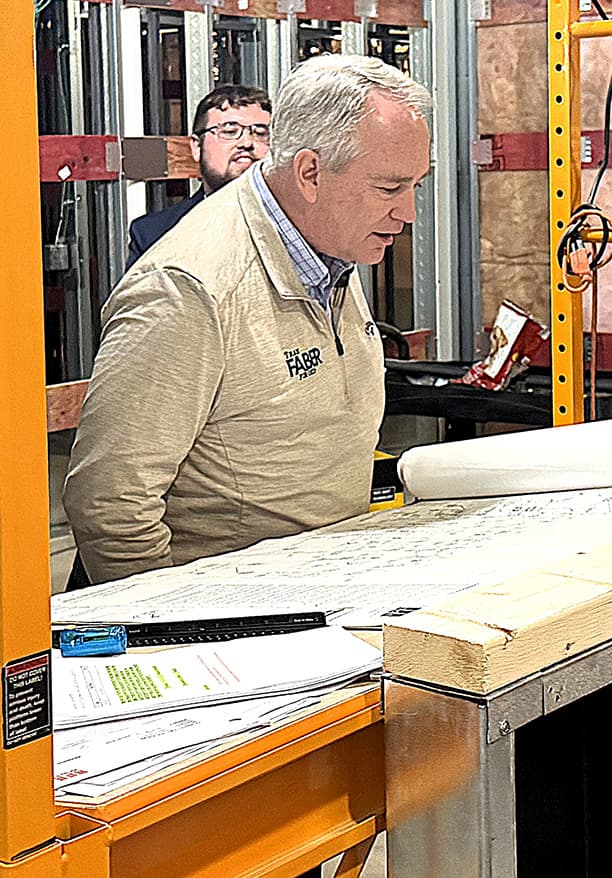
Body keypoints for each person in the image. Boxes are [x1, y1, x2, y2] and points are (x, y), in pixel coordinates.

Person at [64, 55, 431, 588]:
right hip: (233, 615)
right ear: (310, 173)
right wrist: (177, 627)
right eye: (390, 188)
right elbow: (110, 506)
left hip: (326, 590)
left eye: (417, 185)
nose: (409, 212)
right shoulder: (188, 289)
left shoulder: (328, 243)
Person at [126, 84, 272, 270]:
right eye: (229, 131)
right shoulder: (154, 233)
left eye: (260, 133)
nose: (247, 142)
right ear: (196, 147)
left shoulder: (298, 223)